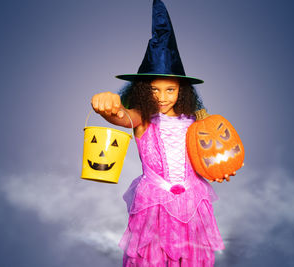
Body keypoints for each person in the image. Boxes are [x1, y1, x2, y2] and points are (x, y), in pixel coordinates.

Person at [91, 0, 238, 265]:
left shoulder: (196, 121)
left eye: (170, 89)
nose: (162, 96)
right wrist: (107, 107)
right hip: (154, 205)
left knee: (191, 257)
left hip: (193, 203)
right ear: (141, 91)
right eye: (154, 89)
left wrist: (219, 167)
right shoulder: (143, 118)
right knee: (152, 257)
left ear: (182, 90)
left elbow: (208, 151)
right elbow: (122, 117)